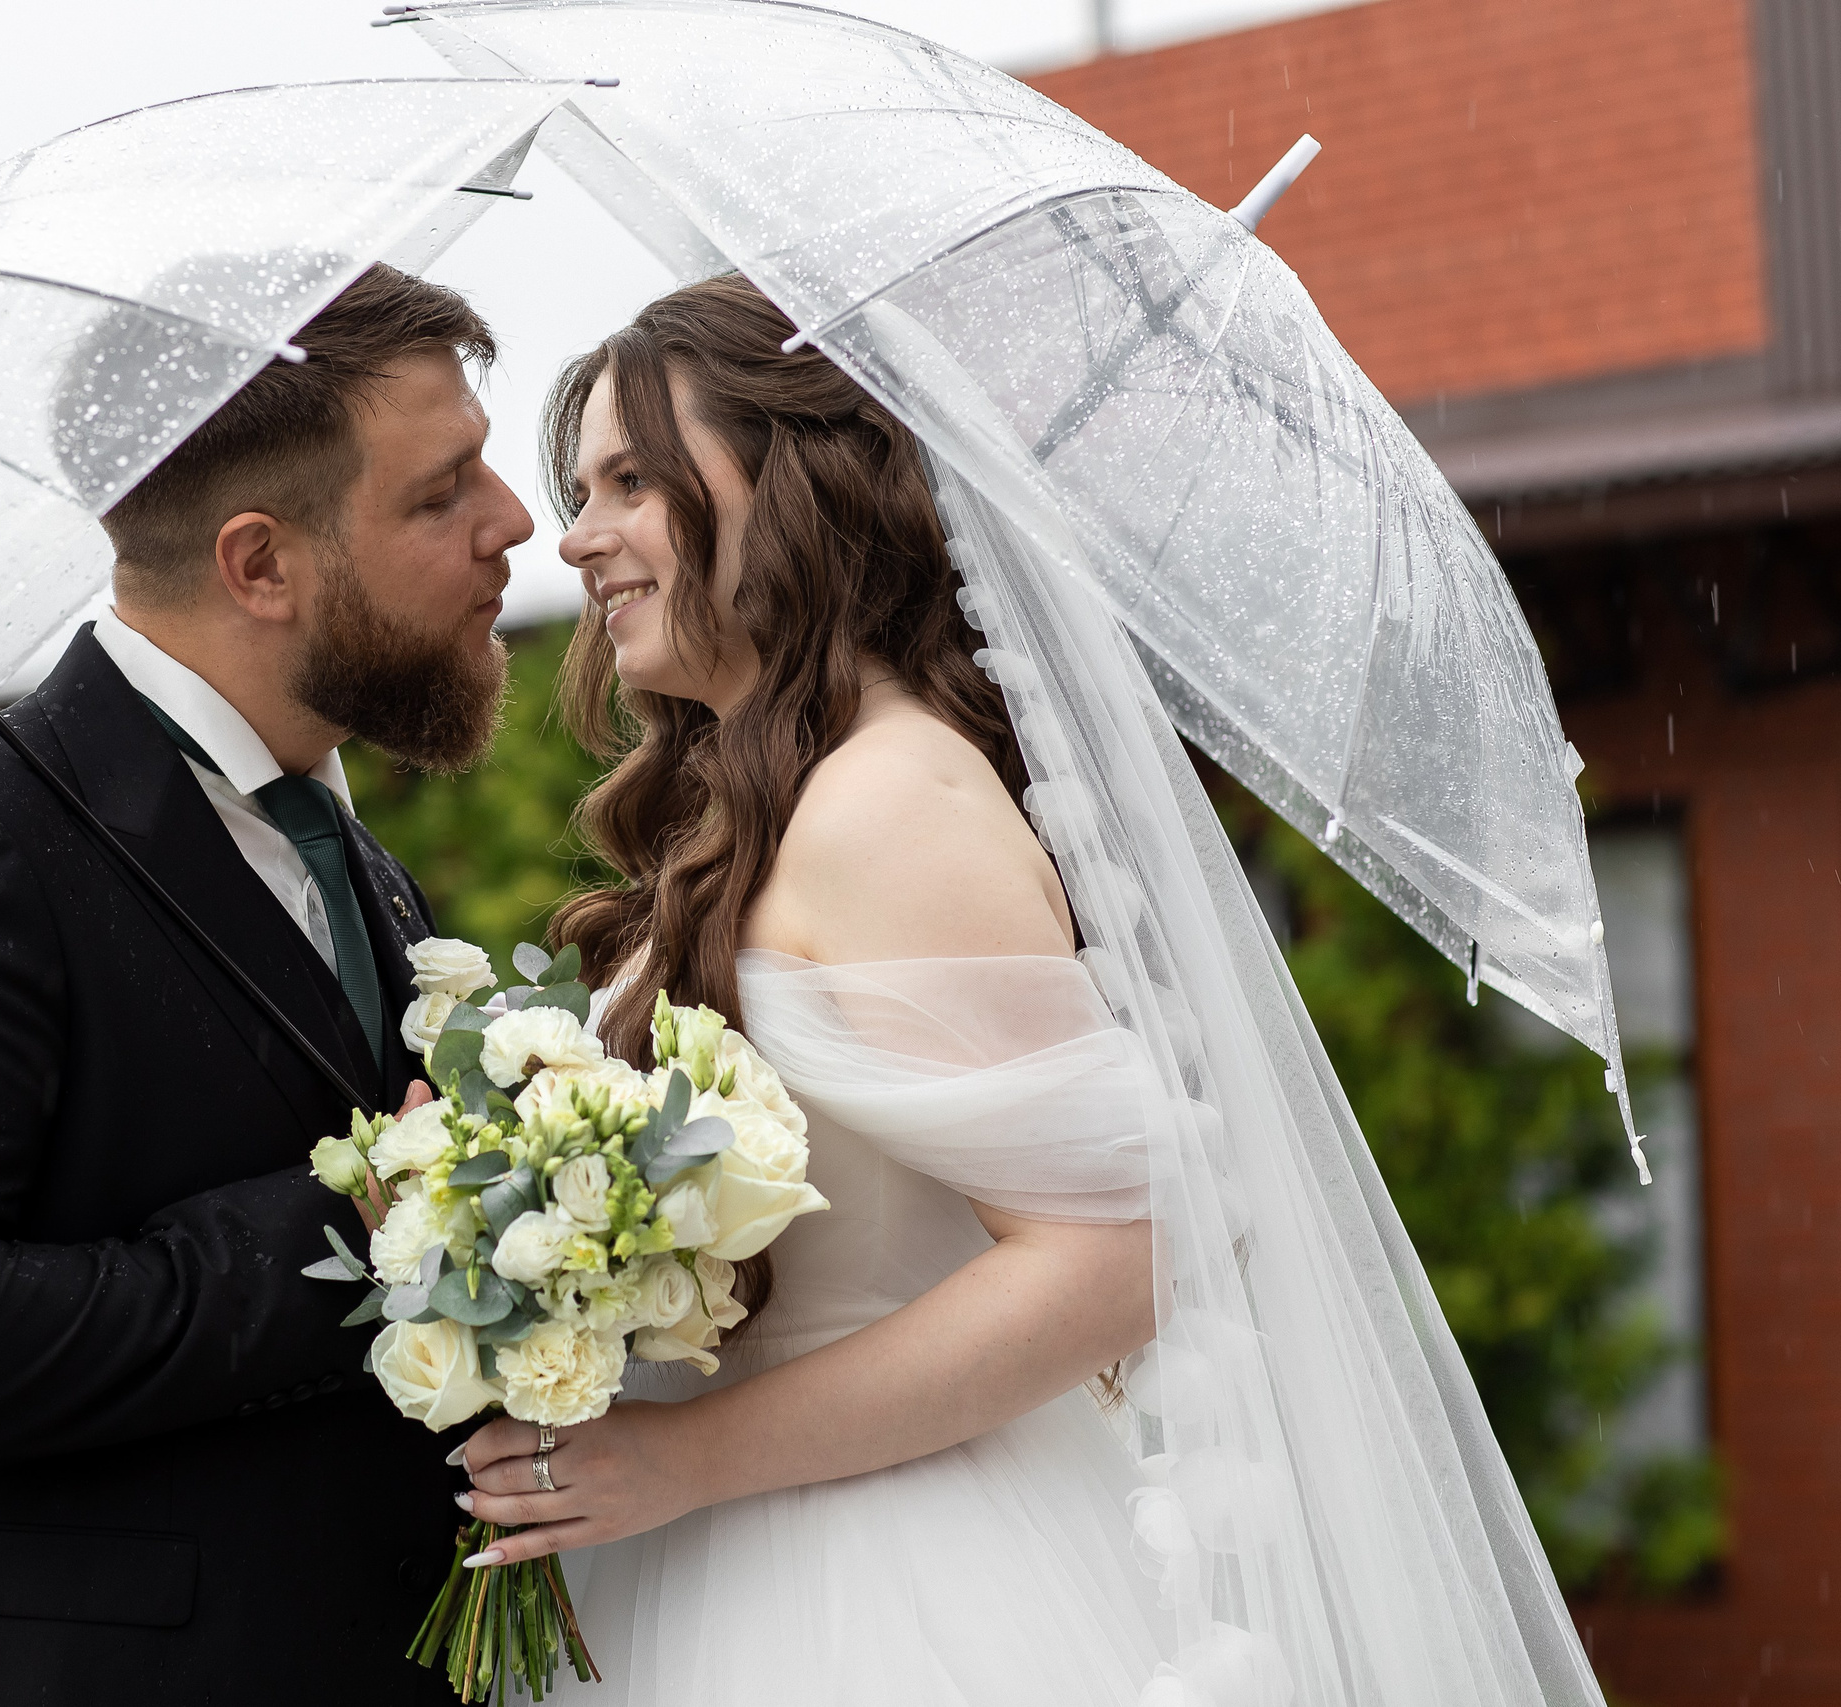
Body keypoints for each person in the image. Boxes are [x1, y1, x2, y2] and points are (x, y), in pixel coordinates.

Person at [452, 274, 1609, 1707]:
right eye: (584, 487)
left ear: (791, 489)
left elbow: (1111, 1262)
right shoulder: (777, 798)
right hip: (720, 1555)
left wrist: (687, 1457)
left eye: (632, 479)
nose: (578, 537)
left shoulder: (892, 802)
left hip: (879, 1592)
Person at [0, 263, 531, 1706]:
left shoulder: (351, 851)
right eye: (442, 494)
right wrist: (353, 1226)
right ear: (260, 564)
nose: (513, 524)